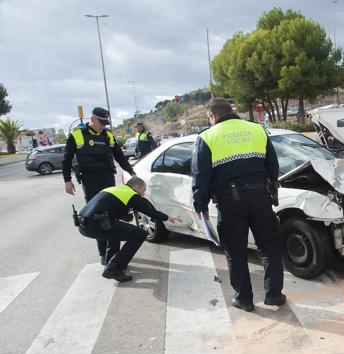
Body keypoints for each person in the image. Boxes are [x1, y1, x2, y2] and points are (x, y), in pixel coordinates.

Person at [192, 98, 284, 312]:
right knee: (269, 247)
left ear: (213, 116)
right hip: (260, 197)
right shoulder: (257, 129)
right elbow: (273, 165)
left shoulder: (206, 137)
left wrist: (201, 204)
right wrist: (271, 191)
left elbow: (201, 176)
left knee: (236, 251)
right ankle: (274, 295)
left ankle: (244, 299)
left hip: (229, 201)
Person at [62, 107, 136, 265]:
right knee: (96, 217)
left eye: (105, 123)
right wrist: (67, 180)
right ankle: (103, 253)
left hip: (107, 180)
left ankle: (112, 252)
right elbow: (66, 159)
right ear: (92, 119)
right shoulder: (77, 135)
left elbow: (119, 156)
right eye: (101, 123)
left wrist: (131, 172)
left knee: (111, 216)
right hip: (90, 181)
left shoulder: (108, 135)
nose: (103, 126)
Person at [76, 176, 180, 282]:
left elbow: (109, 207)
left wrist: (123, 215)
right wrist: (168, 218)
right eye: (143, 190)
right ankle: (113, 268)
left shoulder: (116, 189)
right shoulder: (131, 195)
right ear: (136, 187)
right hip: (94, 224)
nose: (143, 194)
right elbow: (150, 212)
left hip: (83, 224)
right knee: (139, 234)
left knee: (115, 231)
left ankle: (111, 263)